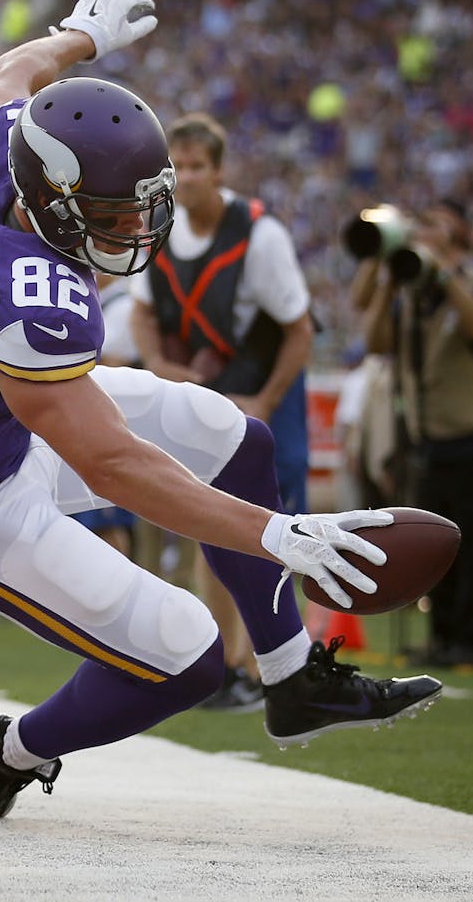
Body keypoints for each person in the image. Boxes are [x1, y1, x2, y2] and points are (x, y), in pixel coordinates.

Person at [0, 0, 442, 821]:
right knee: (191, 657)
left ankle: (292, 680)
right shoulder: (23, 296)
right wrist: (277, 534)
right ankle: (6, 751)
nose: (131, 226)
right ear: (50, 198)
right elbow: (110, 462)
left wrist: (81, 37)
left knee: (233, 435)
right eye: (109, 213)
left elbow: (3, 72)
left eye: (141, 201)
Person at [130, 111, 315, 712]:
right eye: (176, 166)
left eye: (196, 167)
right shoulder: (159, 226)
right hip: (209, 389)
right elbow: (141, 310)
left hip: (265, 390)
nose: (185, 177)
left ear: (220, 170)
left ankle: (285, 663)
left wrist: (265, 401)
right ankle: (225, 664)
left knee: (276, 523)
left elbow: (298, 330)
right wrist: (157, 361)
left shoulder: (261, 235)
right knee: (211, 520)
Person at [365, 197, 473, 666]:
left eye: (435, 230)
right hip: (433, 443)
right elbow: (377, 343)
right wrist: (388, 284)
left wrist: (445, 274)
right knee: (438, 546)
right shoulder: (414, 295)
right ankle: (443, 637)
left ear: (456, 241)